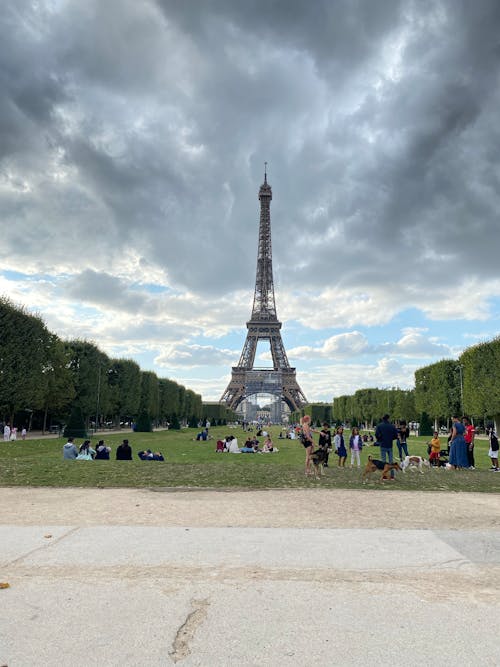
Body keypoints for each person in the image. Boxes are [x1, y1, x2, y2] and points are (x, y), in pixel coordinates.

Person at [375, 414, 398, 479]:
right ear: (388, 419)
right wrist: (391, 438)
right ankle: (392, 475)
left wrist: (380, 440)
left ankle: (385, 475)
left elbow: (377, 435)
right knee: (391, 461)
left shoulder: (379, 426)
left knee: (383, 461)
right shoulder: (392, 426)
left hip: (383, 444)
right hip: (390, 444)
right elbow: (396, 436)